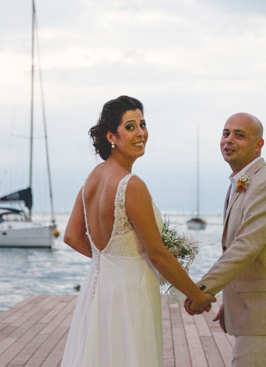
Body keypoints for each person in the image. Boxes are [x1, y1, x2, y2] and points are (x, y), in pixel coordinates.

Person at [61, 95, 215, 367]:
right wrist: (197, 295)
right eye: (130, 127)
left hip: (100, 288)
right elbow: (157, 254)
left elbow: (72, 236)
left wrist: (109, 260)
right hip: (132, 292)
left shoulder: (92, 178)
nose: (141, 133)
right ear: (112, 136)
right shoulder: (132, 185)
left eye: (143, 124)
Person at [185, 112, 266, 367]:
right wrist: (231, 300)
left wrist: (202, 290)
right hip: (254, 310)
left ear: (258, 144)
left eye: (239, 135)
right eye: (225, 133)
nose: (229, 140)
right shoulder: (240, 183)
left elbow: (246, 247)